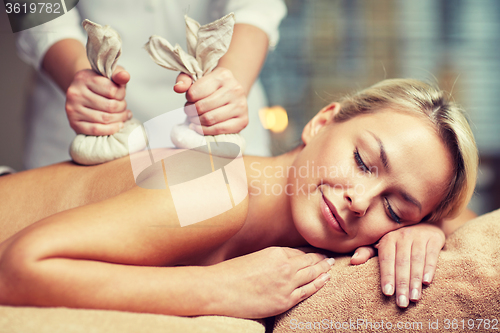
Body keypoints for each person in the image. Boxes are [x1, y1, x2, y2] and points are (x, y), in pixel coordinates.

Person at [0, 79, 478, 317]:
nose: (361, 200)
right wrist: (222, 289)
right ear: (321, 121)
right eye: (363, 161)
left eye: (394, 208)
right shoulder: (216, 184)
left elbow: (476, 226)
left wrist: (429, 230)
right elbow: (19, 268)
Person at [17, 0, 287, 169]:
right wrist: (79, 75)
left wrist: (229, 83)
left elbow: (257, 5)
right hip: (80, 121)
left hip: (219, 117)